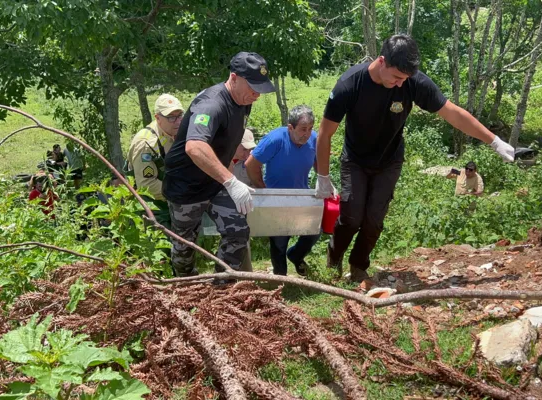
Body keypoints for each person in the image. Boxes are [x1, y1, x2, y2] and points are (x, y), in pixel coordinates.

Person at [314, 34, 515, 282]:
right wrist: (323, 176)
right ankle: (334, 257)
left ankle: (358, 266)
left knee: (374, 220)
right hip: (355, 159)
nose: (400, 84)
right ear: (381, 61)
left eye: (405, 79)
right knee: (351, 216)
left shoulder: (413, 83)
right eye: (396, 77)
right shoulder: (349, 84)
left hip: (389, 160)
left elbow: (453, 114)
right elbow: (325, 133)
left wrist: (493, 140)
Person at [163, 51, 276, 278]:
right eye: (253, 87)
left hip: (216, 181)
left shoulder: (244, 100)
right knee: (185, 246)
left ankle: (221, 287)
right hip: (186, 186)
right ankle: (186, 286)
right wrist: (231, 182)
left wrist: (232, 164)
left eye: (260, 88)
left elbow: (229, 135)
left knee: (238, 231)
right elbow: (194, 147)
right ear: (233, 78)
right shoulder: (211, 104)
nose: (257, 94)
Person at [245, 105, 320, 276]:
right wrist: (263, 190)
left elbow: (318, 159)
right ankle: (281, 279)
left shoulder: (313, 139)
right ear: (290, 127)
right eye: (302, 129)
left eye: (310, 129)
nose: (306, 134)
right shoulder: (275, 140)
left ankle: (296, 255)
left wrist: (323, 180)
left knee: (314, 231)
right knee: (279, 242)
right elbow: (251, 164)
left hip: (302, 196)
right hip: (276, 198)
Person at [126, 94, 185, 230]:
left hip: (173, 201)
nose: (177, 121)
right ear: (158, 118)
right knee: (164, 247)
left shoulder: (177, 133)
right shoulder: (146, 144)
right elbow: (146, 184)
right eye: (171, 117)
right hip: (152, 206)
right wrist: (180, 192)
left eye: (180, 115)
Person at [228, 129, 258, 272]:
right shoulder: (219, 158)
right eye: (244, 149)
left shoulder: (251, 161)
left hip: (242, 208)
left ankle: (246, 275)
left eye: (250, 149)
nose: (248, 153)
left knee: (243, 236)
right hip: (219, 206)